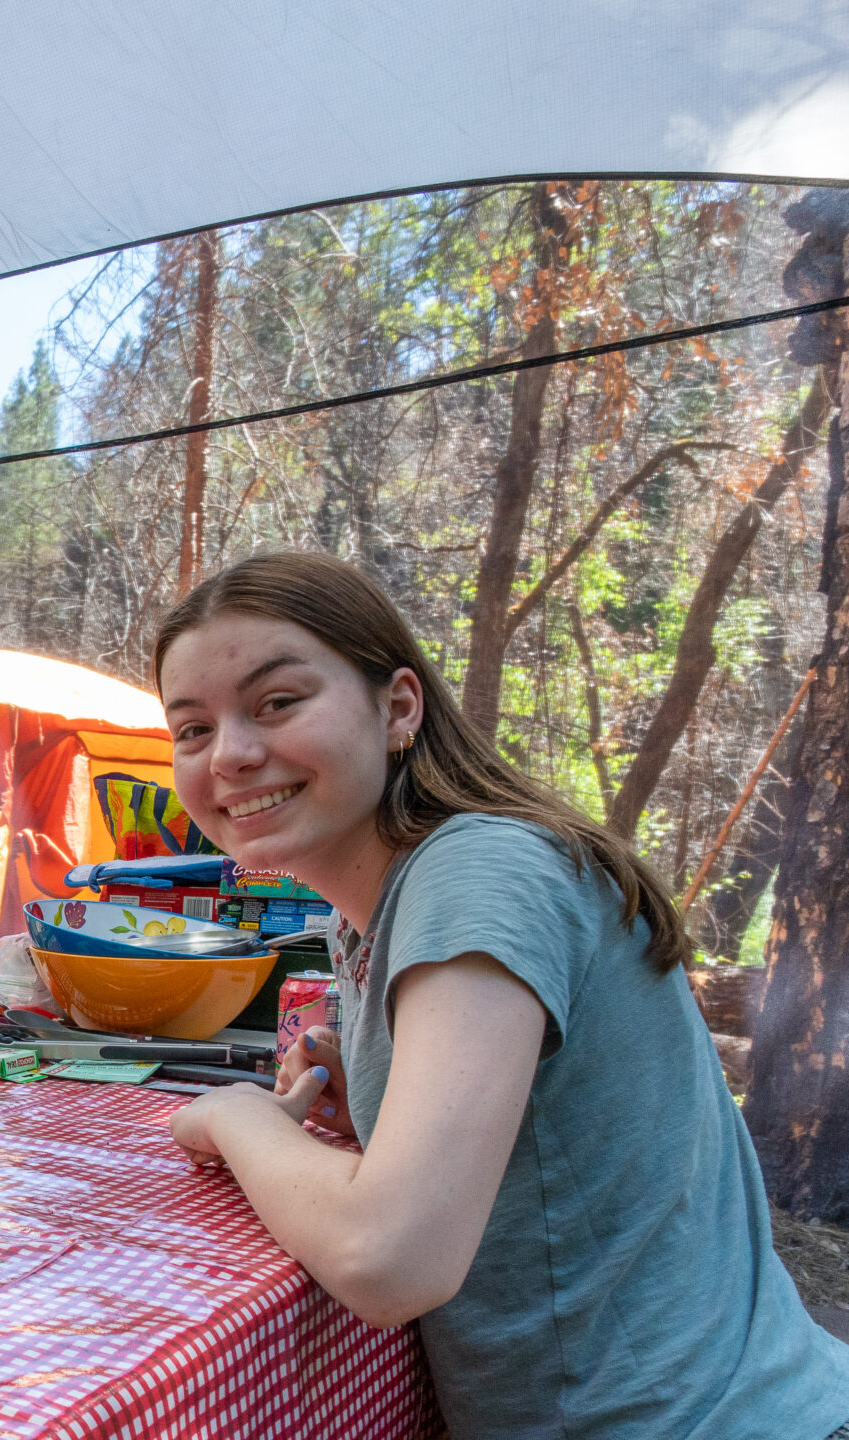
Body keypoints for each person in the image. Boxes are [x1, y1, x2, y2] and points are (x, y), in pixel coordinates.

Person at [152, 552, 849, 1439]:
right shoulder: (370, 913)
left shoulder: (479, 869)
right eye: (192, 730)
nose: (234, 755)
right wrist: (366, 1076)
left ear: (398, 706)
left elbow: (390, 1257)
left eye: (278, 702)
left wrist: (235, 1119)